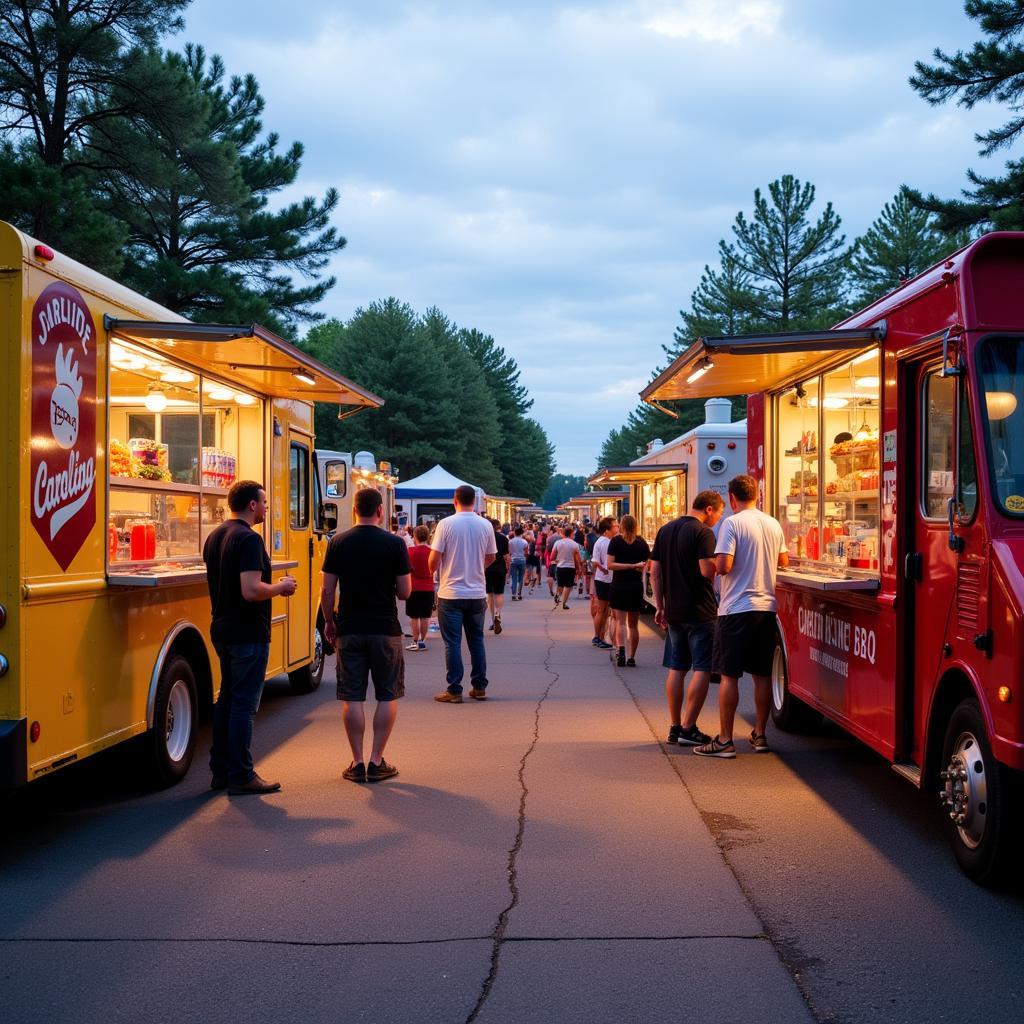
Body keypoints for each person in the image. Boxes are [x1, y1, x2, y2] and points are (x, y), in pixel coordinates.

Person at [205, 480, 297, 795]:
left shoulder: (215, 536)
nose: (267, 507)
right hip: (247, 631)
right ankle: (242, 775)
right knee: (243, 704)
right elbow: (251, 590)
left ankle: (220, 770)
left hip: (221, 627)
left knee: (227, 700)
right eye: (265, 501)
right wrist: (281, 588)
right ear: (252, 505)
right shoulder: (249, 540)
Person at [321, 488, 412, 782]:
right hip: (385, 629)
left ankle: (357, 763)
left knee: (352, 697)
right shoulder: (394, 544)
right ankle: (376, 761)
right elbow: (405, 592)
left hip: (349, 628)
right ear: (381, 511)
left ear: (354, 511)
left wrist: (329, 622)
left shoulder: (338, 542)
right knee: (387, 695)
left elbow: (327, 589)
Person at [695, 474, 788, 759]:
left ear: (732, 498)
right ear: (757, 495)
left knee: (729, 675)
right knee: (761, 675)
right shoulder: (772, 523)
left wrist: (712, 561)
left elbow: (723, 566)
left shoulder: (732, 523)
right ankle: (760, 735)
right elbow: (783, 561)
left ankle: (725, 740)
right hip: (766, 608)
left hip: (736, 608)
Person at [650, 490, 725, 747]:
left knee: (676, 668)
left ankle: (673, 726)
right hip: (701, 610)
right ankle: (688, 727)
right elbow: (706, 570)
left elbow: (655, 572)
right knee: (702, 668)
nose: (718, 519)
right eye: (719, 513)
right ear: (708, 509)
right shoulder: (703, 533)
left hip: (673, 611)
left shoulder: (666, 530)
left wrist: (659, 606)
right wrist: (722, 566)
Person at [430, 485, 497, 703]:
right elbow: (492, 556)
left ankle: (454, 689)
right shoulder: (485, 525)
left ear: (454, 501)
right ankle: (479, 686)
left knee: (453, 643)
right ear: (474, 502)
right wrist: (477, 568)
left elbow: (433, 560)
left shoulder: (446, 524)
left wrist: (435, 570)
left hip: (451, 592)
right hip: (477, 592)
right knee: (476, 640)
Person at [606, 514, 650, 667]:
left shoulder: (616, 541)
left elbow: (610, 565)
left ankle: (621, 649)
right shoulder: (642, 543)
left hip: (619, 585)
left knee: (621, 621)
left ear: (622, 525)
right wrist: (636, 567)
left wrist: (627, 566)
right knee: (633, 624)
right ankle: (632, 657)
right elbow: (648, 564)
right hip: (635, 586)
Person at [405, 524, 434, 650]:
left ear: (415, 536)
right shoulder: (432, 551)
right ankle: (423, 640)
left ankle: (415, 640)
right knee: (425, 616)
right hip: (428, 587)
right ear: (427, 536)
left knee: (414, 616)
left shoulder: (410, 551)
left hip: (413, 587)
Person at [590, 516, 617, 649]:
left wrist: (601, 568)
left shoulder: (599, 541)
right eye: (615, 526)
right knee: (602, 610)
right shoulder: (607, 543)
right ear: (607, 530)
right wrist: (605, 568)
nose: (617, 527)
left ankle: (599, 636)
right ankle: (598, 637)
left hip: (601, 579)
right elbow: (609, 563)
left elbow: (595, 561)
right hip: (606, 580)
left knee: (603, 610)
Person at [485, 517, 510, 633]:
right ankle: (497, 614)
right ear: (497, 527)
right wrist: (507, 569)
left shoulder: (484, 537)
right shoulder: (503, 538)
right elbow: (506, 557)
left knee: (489, 595)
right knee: (499, 593)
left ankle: (491, 621)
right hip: (500, 569)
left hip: (486, 569)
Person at [550, 525, 582, 609]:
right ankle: (564, 603)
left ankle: (557, 595)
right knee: (568, 586)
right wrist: (579, 569)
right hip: (570, 567)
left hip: (560, 566)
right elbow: (578, 559)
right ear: (571, 534)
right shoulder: (575, 545)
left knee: (560, 584)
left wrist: (558, 559)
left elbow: (551, 557)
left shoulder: (558, 543)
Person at [508, 526, 529, 600]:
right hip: (522, 560)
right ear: (522, 533)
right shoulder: (524, 542)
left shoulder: (510, 541)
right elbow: (526, 553)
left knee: (514, 578)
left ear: (515, 533)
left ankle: (513, 594)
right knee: (520, 578)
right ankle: (519, 594)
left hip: (513, 560)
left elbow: (509, 552)